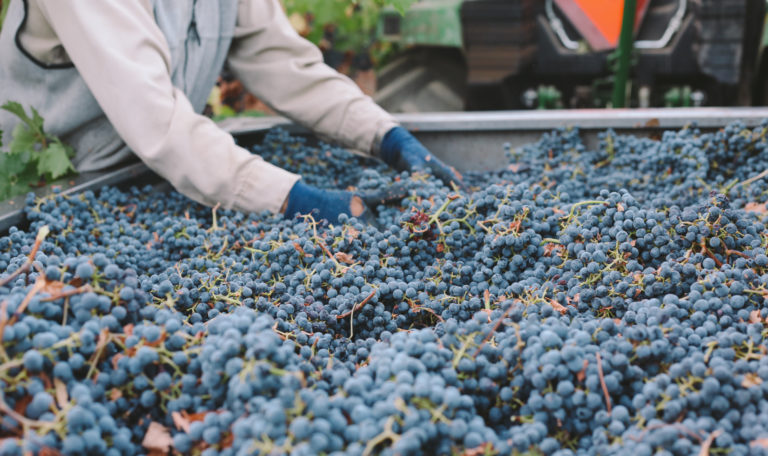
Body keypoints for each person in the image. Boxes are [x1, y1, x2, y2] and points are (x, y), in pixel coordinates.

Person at [0, 0, 463, 223]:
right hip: (57, 190)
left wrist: (385, 135)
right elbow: (157, 119)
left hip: (166, 176)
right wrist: (297, 199)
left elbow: (283, 62)